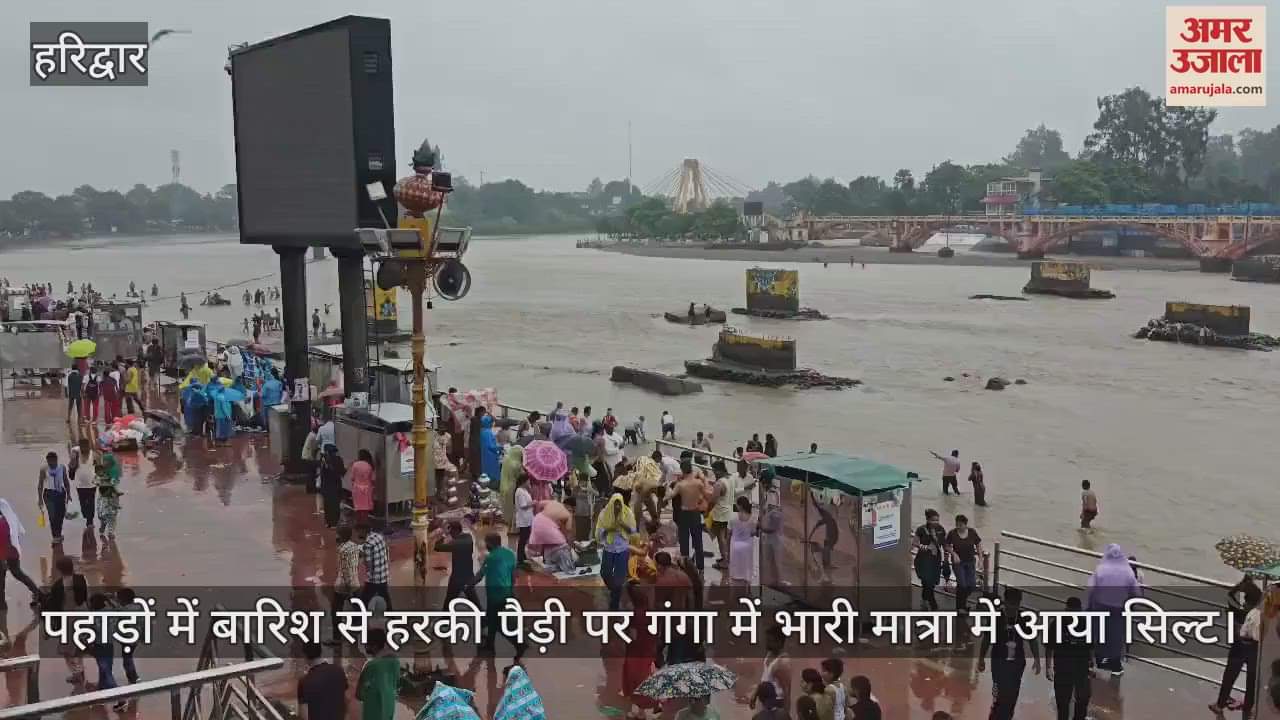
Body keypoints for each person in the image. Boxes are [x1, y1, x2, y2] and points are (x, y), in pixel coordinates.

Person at [979, 587, 1040, 720]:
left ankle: (1007, 716)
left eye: (1016, 604)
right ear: (1005, 602)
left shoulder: (1023, 618)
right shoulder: (996, 617)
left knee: (1012, 695)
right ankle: (996, 715)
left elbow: (1032, 639)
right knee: (1000, 695)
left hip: (1017, 664)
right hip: (998, 663)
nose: (1013, 607)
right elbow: (987, 639)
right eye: (1011, 603)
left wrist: (1037, 659)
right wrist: (981, 659)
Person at [1211, 574, 1262, 716]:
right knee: (1252, 680)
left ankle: (1220, 704)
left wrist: (1241, 584)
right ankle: (1248, 708)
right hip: (1255, 650)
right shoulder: (1260, 614)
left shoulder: (1238, 612)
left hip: (1238, 648)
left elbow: (1230, 597)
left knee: (1229, 676)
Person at [1086, 543, 1138, 675]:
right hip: (1118, 609)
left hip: (1099, 606)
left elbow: (1091, 588)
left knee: (1096, 634)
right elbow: (1136, 592)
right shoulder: (1128, 571)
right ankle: (1115, 666)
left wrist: (1088, 606)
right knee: (1115, 637)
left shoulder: (1101, 569)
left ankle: (1092, 663)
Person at [470, 533, 523, 659]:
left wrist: (468, 585)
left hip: (495, 595)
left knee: (496, 623)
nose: (485, 546)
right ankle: (489, 644)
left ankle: (519, 644)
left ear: (490, 544)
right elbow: (514, 575)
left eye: (486, 543)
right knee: (492, 620)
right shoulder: (510, 554)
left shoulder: (491, 558)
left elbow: (480, 575)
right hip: (507, 593)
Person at [1047, 596, 1093, 720]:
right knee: (1064, 702)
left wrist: (1091, 664)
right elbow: (1049, 646)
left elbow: (1091, 646)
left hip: (1079, 667)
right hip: (1065, 668)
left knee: (1081, 701)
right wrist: (1048, 667)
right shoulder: (1058, 623)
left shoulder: (1084, 623)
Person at [45, 556, 88, 684]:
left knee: (66, 650)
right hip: (82, 615)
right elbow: (84, 597)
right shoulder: (81, 579)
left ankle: (77, 673)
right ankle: (80, 670)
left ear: (59, 570)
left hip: (68, 619)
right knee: (78, 647)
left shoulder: (57, 586)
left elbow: (54, 607)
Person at [622, 581, 660, 720]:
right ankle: (644, 710)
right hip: (649, 650)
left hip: (636, 652)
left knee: (635, 681)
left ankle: (640, 711)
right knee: (646, 677)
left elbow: (633, 637)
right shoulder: (650, 610)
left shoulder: (634, 615)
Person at [597, 493, 636, 610]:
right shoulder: (604, 513)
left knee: (619, 578)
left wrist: (623, 525)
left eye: (619, 504)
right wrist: (609, 528)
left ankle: (614, 604)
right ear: (611, 504)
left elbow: (633, 531)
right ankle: (614, 589)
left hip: (622, 548)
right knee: (605, 572)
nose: (618, 507)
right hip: (609, 547)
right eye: (615, 504)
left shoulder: (627, 513)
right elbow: (599, 532)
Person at [0, 499, 42, 606]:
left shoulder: (3, 523)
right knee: (17, 574)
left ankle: (2, 603)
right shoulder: (10, 519)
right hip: (12, 553)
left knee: (7, 576)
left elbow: (5, 542)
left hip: (6, 554)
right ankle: (37, 592)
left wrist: (3, 559)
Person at [432, 521, 479, 607]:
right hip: (468, 577)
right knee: (475, 602)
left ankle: (445, 618)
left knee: (449, 601)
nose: (451, 535)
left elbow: (437, 547)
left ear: (455, 531)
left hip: (456, 578)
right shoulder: (469, 538)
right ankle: (484, 618)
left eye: (451, 532)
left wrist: (444, 535)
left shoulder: (455, 543)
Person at [674, 459, 710, 570]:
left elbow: (671, 495)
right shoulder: (698, 482)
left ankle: (685, 566)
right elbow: (707, 495)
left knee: (684, 541)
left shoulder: (680, 484)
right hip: (695, 512)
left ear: (682, 470)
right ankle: (700, 566)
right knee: (698, 540)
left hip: (684, 513)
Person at [356, 628, 399, 720]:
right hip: (388, 709)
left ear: (374, 646)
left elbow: (359, 694)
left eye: (366, 644)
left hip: (372, 713)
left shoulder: (370, 666)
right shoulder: (395, 661)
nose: (364, 647)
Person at [298, 641, 347, 720]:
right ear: (320, 652)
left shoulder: (304, 681)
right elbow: (345, 700)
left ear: (304, 655)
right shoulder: (338, 671)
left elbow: (304, 715)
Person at [944, 514, 981, 611]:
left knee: (971, 585)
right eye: (957, 524)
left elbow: (978, 545)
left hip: (970, 562)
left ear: (965, 524)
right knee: (962, 584)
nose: (958, 527)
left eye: (960, 525)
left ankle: (960, 606)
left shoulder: (972, 532)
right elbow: (946, 545)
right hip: (958, 563)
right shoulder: (952, 533)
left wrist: (980, 559)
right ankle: (961, 607)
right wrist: (954, 554)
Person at [752, 625, 792, 712]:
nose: (767, 644)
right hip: (766, 700)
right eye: (767, 640)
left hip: (777, 703)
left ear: (780, 642)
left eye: (770, 641)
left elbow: (787, 691)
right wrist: (755, 695)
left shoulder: (783, 662)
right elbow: (765, 678)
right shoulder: (770, 654)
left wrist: (785, 715)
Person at [913, 509, 947, 610]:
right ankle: (933, 606)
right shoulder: (921, 529)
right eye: (933, 520)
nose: (936, 522)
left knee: (930, 584)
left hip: (935, 561)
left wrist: (948, 556)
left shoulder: (941, 529)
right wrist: (924, 547)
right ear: (927, 519)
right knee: (926, 582)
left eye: (937, 520)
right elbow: (915, 543)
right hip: (923, 560)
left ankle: (924, 601)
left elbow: (944, 544)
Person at [331, 526, 359, 643]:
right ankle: (355, 630)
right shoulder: (354, 546)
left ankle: (337, 638)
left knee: (336, 611)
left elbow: (345, 570)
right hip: (355, 581)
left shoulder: (342, 550)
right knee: (356, 608)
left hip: (343, 585)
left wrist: (348, 589)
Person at [38, 451, 72, 543]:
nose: (52, 463)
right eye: (49, 462)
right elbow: (40, 485)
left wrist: (68, 494)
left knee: (60, 515)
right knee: (52, 515)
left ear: (56, 460)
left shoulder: (62, 468)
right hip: (49, 495)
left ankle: (59, 533)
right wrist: (40, 499)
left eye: (53, 461)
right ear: (47, 461)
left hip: (60, 493)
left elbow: (66, 481)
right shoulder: (44, 469)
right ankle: (55, 536)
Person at [359, 524, 391, 611]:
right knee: (385, 595)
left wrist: (363, 559)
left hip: (374, 577)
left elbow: (369, 565)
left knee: (364, 599)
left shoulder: (367, 544)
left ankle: (357, 618)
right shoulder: (378, 536)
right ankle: (391, 614)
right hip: (383, 573)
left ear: (361, 532)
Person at [709, 461, 735, 571]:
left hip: (719, 514)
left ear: (719, 470)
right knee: (725, 537)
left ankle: (725, 561)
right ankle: (726, 558)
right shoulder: (729, 479)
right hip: (727, 512)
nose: (713, 473)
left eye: (714, 471)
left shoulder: (719, 484)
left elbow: (713, 500)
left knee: (721, 538)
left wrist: (706, 510)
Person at [95, 451, 122, 538]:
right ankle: (103, 524)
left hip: (112, 496)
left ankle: (111, 532)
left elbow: (114, 481)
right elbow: (95, 480)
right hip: (102, 496)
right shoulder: (101, 470)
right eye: (104, 460)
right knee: (101, 514)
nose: (105, 462)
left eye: (106, 461)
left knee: (112, 515)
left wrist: (107, 483)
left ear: (110, 461)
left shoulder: (114, 470)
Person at [729, 498, 755, 586]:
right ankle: (746, 578)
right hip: (747, 546)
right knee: (747, 565)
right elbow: (753, 532)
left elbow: (729, 532)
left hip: (736, 545)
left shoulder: (733, 517)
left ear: (740, 506)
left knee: (735, 565)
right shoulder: (752, 518)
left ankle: (736, 576)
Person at [319, 445, 345, 528]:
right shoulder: (339, 459)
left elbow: (322, 474)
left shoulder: (324, 460)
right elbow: (342, 473)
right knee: (335, 504)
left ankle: (329, 522)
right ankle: (335, 522)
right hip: (336, 485)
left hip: (326, 486)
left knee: (327, 504)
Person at [499, 445, 524, 529]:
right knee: (512, 506)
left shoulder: (506, 459)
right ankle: (512, 527)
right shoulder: (516, 464)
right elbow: (519, 476)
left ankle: (507, 523)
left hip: (503, 484)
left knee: (505, 505)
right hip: (511, 486)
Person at [350, 450, 375, 527]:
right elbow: (373, 479)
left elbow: (352, 478)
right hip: (367, 489)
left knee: (358, 507)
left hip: (356, 488)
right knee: (365, 508)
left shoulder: (355, 465)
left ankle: (358, 523)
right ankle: (365, 524)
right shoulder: (369, 466)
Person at [514, 476, 534, 565]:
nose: (529, 482)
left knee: (525, 537)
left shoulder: (524, 491)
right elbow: (523, 505)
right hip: (523, 519)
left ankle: (522, 555)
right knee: (523, 538)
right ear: (524, 481)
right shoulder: (519, 491)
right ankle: (520, 558)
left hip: (527, 518)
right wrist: (533, 503)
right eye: (528, 481)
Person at [479, 415, 501, 487]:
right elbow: (491, 446)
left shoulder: (482, 431)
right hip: (491, 456)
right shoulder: (488, 432)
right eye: (491, 422)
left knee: (486, 471)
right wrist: (500, 448)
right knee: (492, 473)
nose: (492, 424)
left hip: (484, 455)